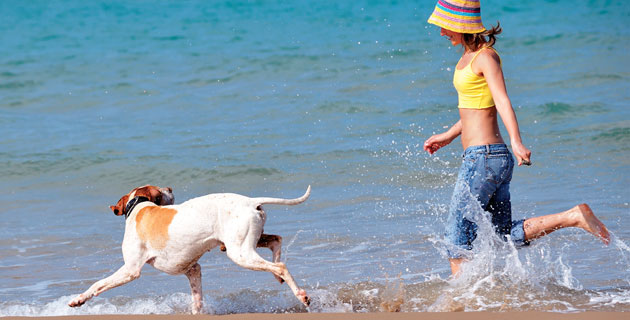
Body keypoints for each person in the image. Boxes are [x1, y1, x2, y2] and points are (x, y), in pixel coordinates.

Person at [423, 0, 610, 276]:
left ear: (461, 24)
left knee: (456, 238)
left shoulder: (485, 57)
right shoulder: (467, 59)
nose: (441, 33)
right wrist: (448, 135)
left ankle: (459, 304)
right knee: (502, 237)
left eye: (445, 26)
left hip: (484, 159)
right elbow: (474, 110)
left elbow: (501, 101)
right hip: (488, 159)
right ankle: (572, 217)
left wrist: (516, 140)